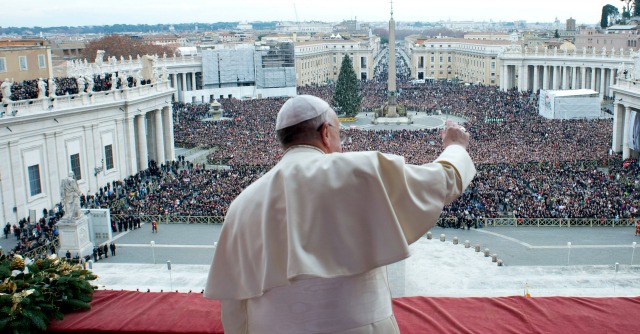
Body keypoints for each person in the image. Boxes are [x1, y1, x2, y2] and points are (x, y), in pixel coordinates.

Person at [204, 95, 476, 333]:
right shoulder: (360, 170)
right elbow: (444, 180)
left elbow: (233, 303)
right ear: (325, 133)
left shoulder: (242, 205)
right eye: (339, 133)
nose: (341, 144)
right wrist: (456, 147)